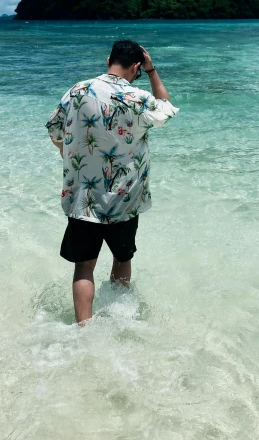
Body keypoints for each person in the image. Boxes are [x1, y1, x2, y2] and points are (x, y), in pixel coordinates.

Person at [46, 40, 179, 324]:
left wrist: (71, 156)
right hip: (124, 197)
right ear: (136, 67)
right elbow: (166, 107)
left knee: (84, 266)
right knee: (122, 258)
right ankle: (121, 320)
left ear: (109, 60)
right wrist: (152, 71)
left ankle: (83, 329)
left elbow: (54, 130)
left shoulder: (77, 91)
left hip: (83, 197)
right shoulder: (137, 98)